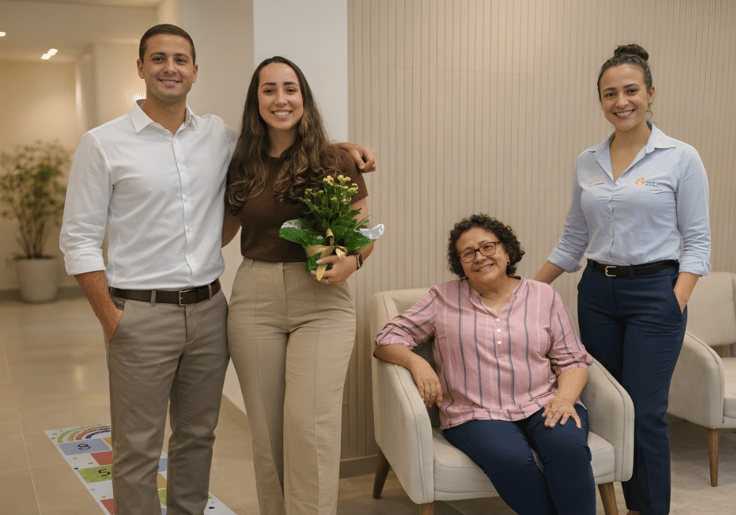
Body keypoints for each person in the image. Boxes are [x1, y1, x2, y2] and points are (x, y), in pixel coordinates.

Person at [60, 26, 375, 515]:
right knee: (139, 449)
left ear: (194, 71)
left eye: (180, 59)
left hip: (209, 309)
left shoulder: (220, 140)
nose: (170, 68)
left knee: (196, 439)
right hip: (142, 312)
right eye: (159, 58)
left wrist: (344, 149)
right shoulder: (103, 144)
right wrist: (111, 317)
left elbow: (289, 144)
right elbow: (77, 241)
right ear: (140, 68)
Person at [534, 44, 710, 515]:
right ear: (601, 101)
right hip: (596, 294)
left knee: (647, 413)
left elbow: (697, 242)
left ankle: (649, 509)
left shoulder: (680, 157)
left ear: (650, 93)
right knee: (612, 406)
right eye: (609, 94)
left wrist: (675, 301)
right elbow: (574, 238)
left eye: (631, 91)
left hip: (656, 292)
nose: (621, 102)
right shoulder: (587, 160)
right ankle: (621, 504)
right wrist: (530, 289)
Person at [223, 56, 376, 515]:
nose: (280, 99)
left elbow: (363, 236)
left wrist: (352, 263)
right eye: (268, 89)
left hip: (322, 303)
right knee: (267, 434)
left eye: (290, 88)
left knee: (311, 428)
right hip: (254, 298)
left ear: (304, 97)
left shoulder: (335, 160)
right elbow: (220, 235)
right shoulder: (240, 163)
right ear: (256, 101)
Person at [374, 214, 595, 515]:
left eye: (487, 247)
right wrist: (417, 363)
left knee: (568, 448)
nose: (479, 257)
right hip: (474, 412)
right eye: (468, 253)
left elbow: (573, 359)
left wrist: (565, 399)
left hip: (543, 401)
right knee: (512, 459)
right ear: (460, 263)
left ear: (506, 251)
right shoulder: (442, 298)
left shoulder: (543, 295)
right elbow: (386, 339)